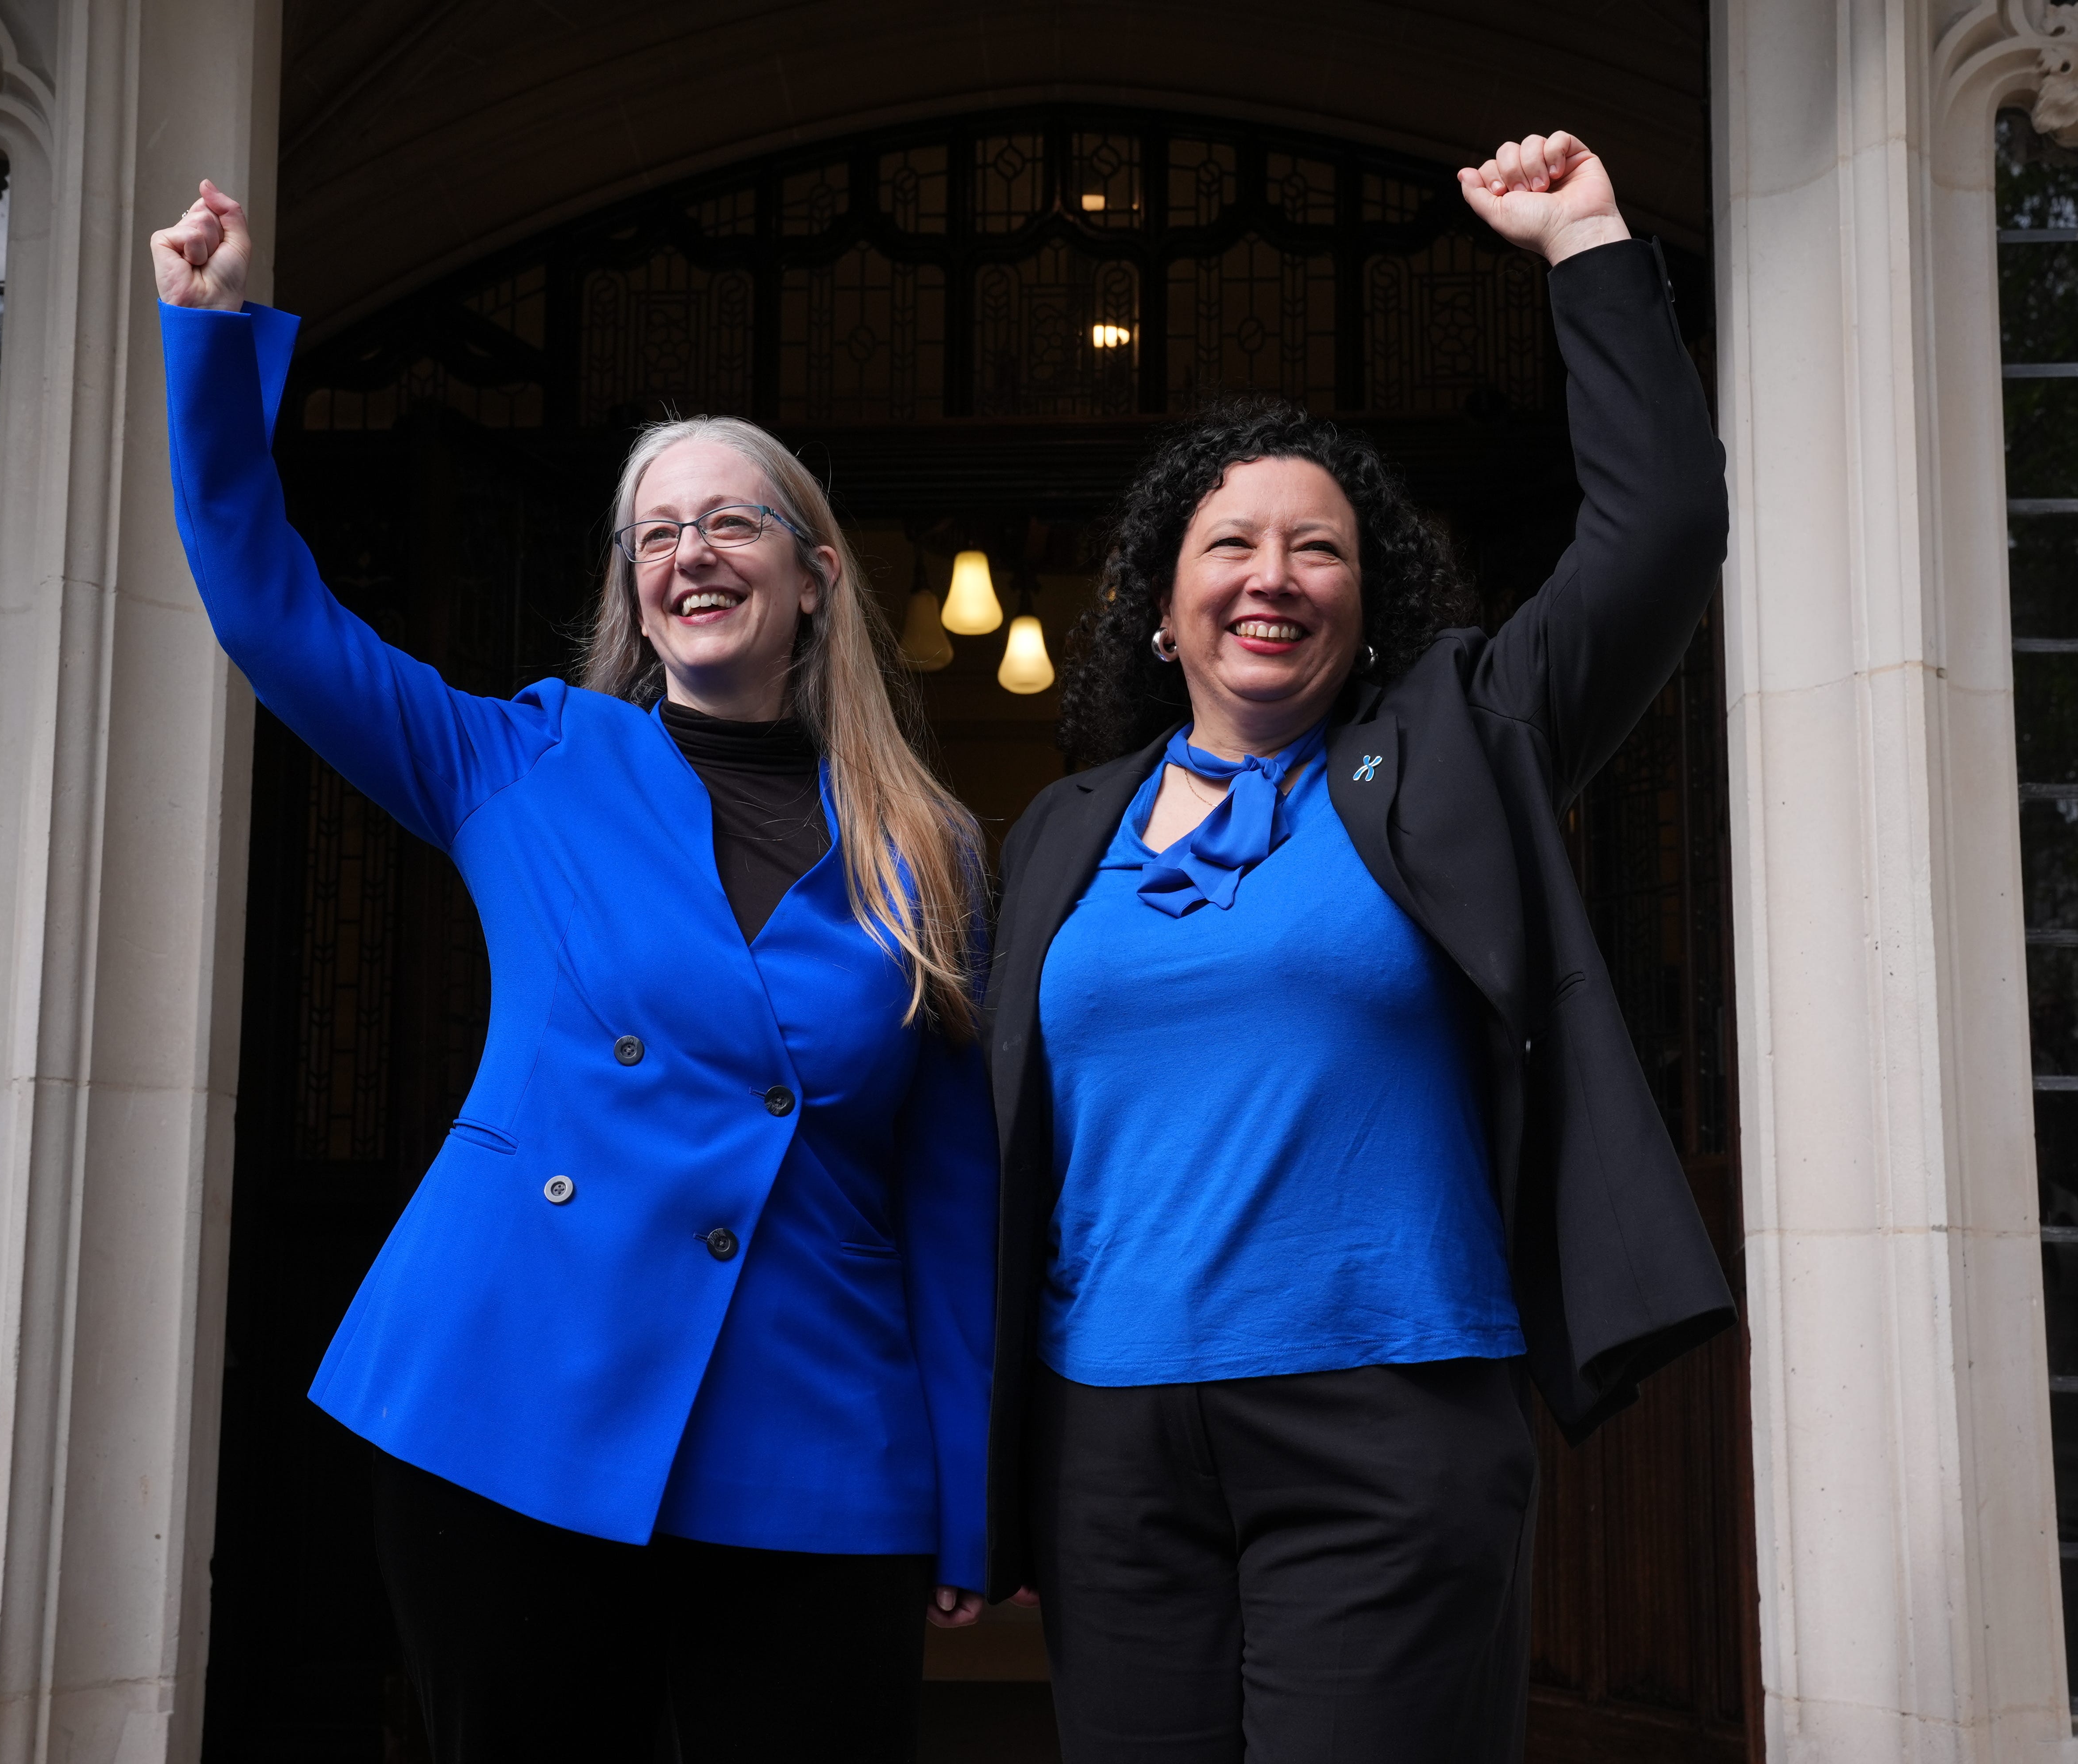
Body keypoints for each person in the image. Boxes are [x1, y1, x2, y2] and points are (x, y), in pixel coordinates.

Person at [151, 181, 995, 1763]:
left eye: (731, 519)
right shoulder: (520, 760)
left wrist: (967, 1492)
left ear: (813, 575)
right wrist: (206, 340)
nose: (691, 551)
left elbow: (945, 1193)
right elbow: (270, 609)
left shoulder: (926, 844)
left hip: (814, 1433)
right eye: (656, 531)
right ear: (631, 586)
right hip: (510, 1397)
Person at [980, 133, 1738, 1761]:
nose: (1273, 576)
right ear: (1164, 607)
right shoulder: (1064, 833)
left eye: (1317, 546)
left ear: (1368, 596)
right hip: (1109, 1437)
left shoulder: (1461, 743)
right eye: (1229, 547)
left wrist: (1589, 245)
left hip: (1388, 1420)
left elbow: (1662, 530)